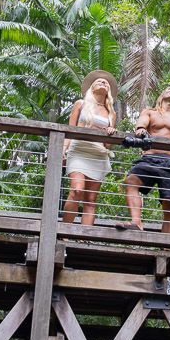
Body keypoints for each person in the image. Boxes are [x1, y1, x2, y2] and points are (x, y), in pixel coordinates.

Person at [116, 85, 170, 233]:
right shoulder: (150, 112)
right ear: (162, 95)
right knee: (131, 180)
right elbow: (141, 125)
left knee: (169, 203)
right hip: (149, 158)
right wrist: (140, 129)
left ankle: (166, 245)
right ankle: (136, 222)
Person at [61, 70, 118, 226]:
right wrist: (63, 151)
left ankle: (83, 237)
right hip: (79, 150)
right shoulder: (81, 104)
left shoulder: (111, 113)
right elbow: (69, 130)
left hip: (99, 154)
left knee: (91, 199)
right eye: (99, 81)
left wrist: (110, 134)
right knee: (77, 190)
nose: (103, 83)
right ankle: (65, 231)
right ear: (92, 87)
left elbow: (108, 145)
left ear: (109, 91)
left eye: (105, 82)